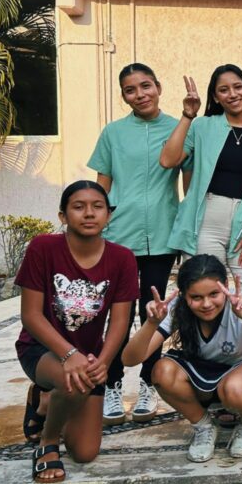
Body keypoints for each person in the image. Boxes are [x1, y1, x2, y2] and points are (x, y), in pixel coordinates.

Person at [16, 181, 138, 483]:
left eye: (97, 206)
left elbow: (119, 322)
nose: (89, 213)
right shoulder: (43, 248)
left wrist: (104, 363)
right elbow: (30, 316)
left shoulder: (122, 258)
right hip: (41, 349)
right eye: (78, 207)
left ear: (108, 215)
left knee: (85, 452)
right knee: (76, 380)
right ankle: (47, 443)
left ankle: (46, 402)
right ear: (63, 216)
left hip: (90, 358)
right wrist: (69, 354)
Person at [122, 254, 242, 462]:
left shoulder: (240, 302)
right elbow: (130, 359)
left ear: (225, 286)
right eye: (196, 297)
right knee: (162, 372)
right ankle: (203, 425)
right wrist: (151, 323)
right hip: (205, 376)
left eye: (214, 294)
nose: (206, 304)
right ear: (184, 295)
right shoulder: (177, 308)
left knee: (235, 388)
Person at [87, 62, 180, 428]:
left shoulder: (177, 129)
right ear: (123, 96)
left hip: (162, 234)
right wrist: (95, 229)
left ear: (158, 87)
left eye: (145, 86)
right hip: (119, 237)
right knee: (118, 314)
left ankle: (147, 384)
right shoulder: (113, 133)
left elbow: (188, 181)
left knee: (153, 311)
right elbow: (101, 186)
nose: (140, 94)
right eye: (130, 90)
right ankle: (110, 385)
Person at [161, 64, 242, 303]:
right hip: (206, 223)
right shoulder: (202, 125)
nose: (232, 94)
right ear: (215, 97)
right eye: (223, 90)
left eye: (238, 87)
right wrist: (188, 115)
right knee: (205, 297)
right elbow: (168, 160)